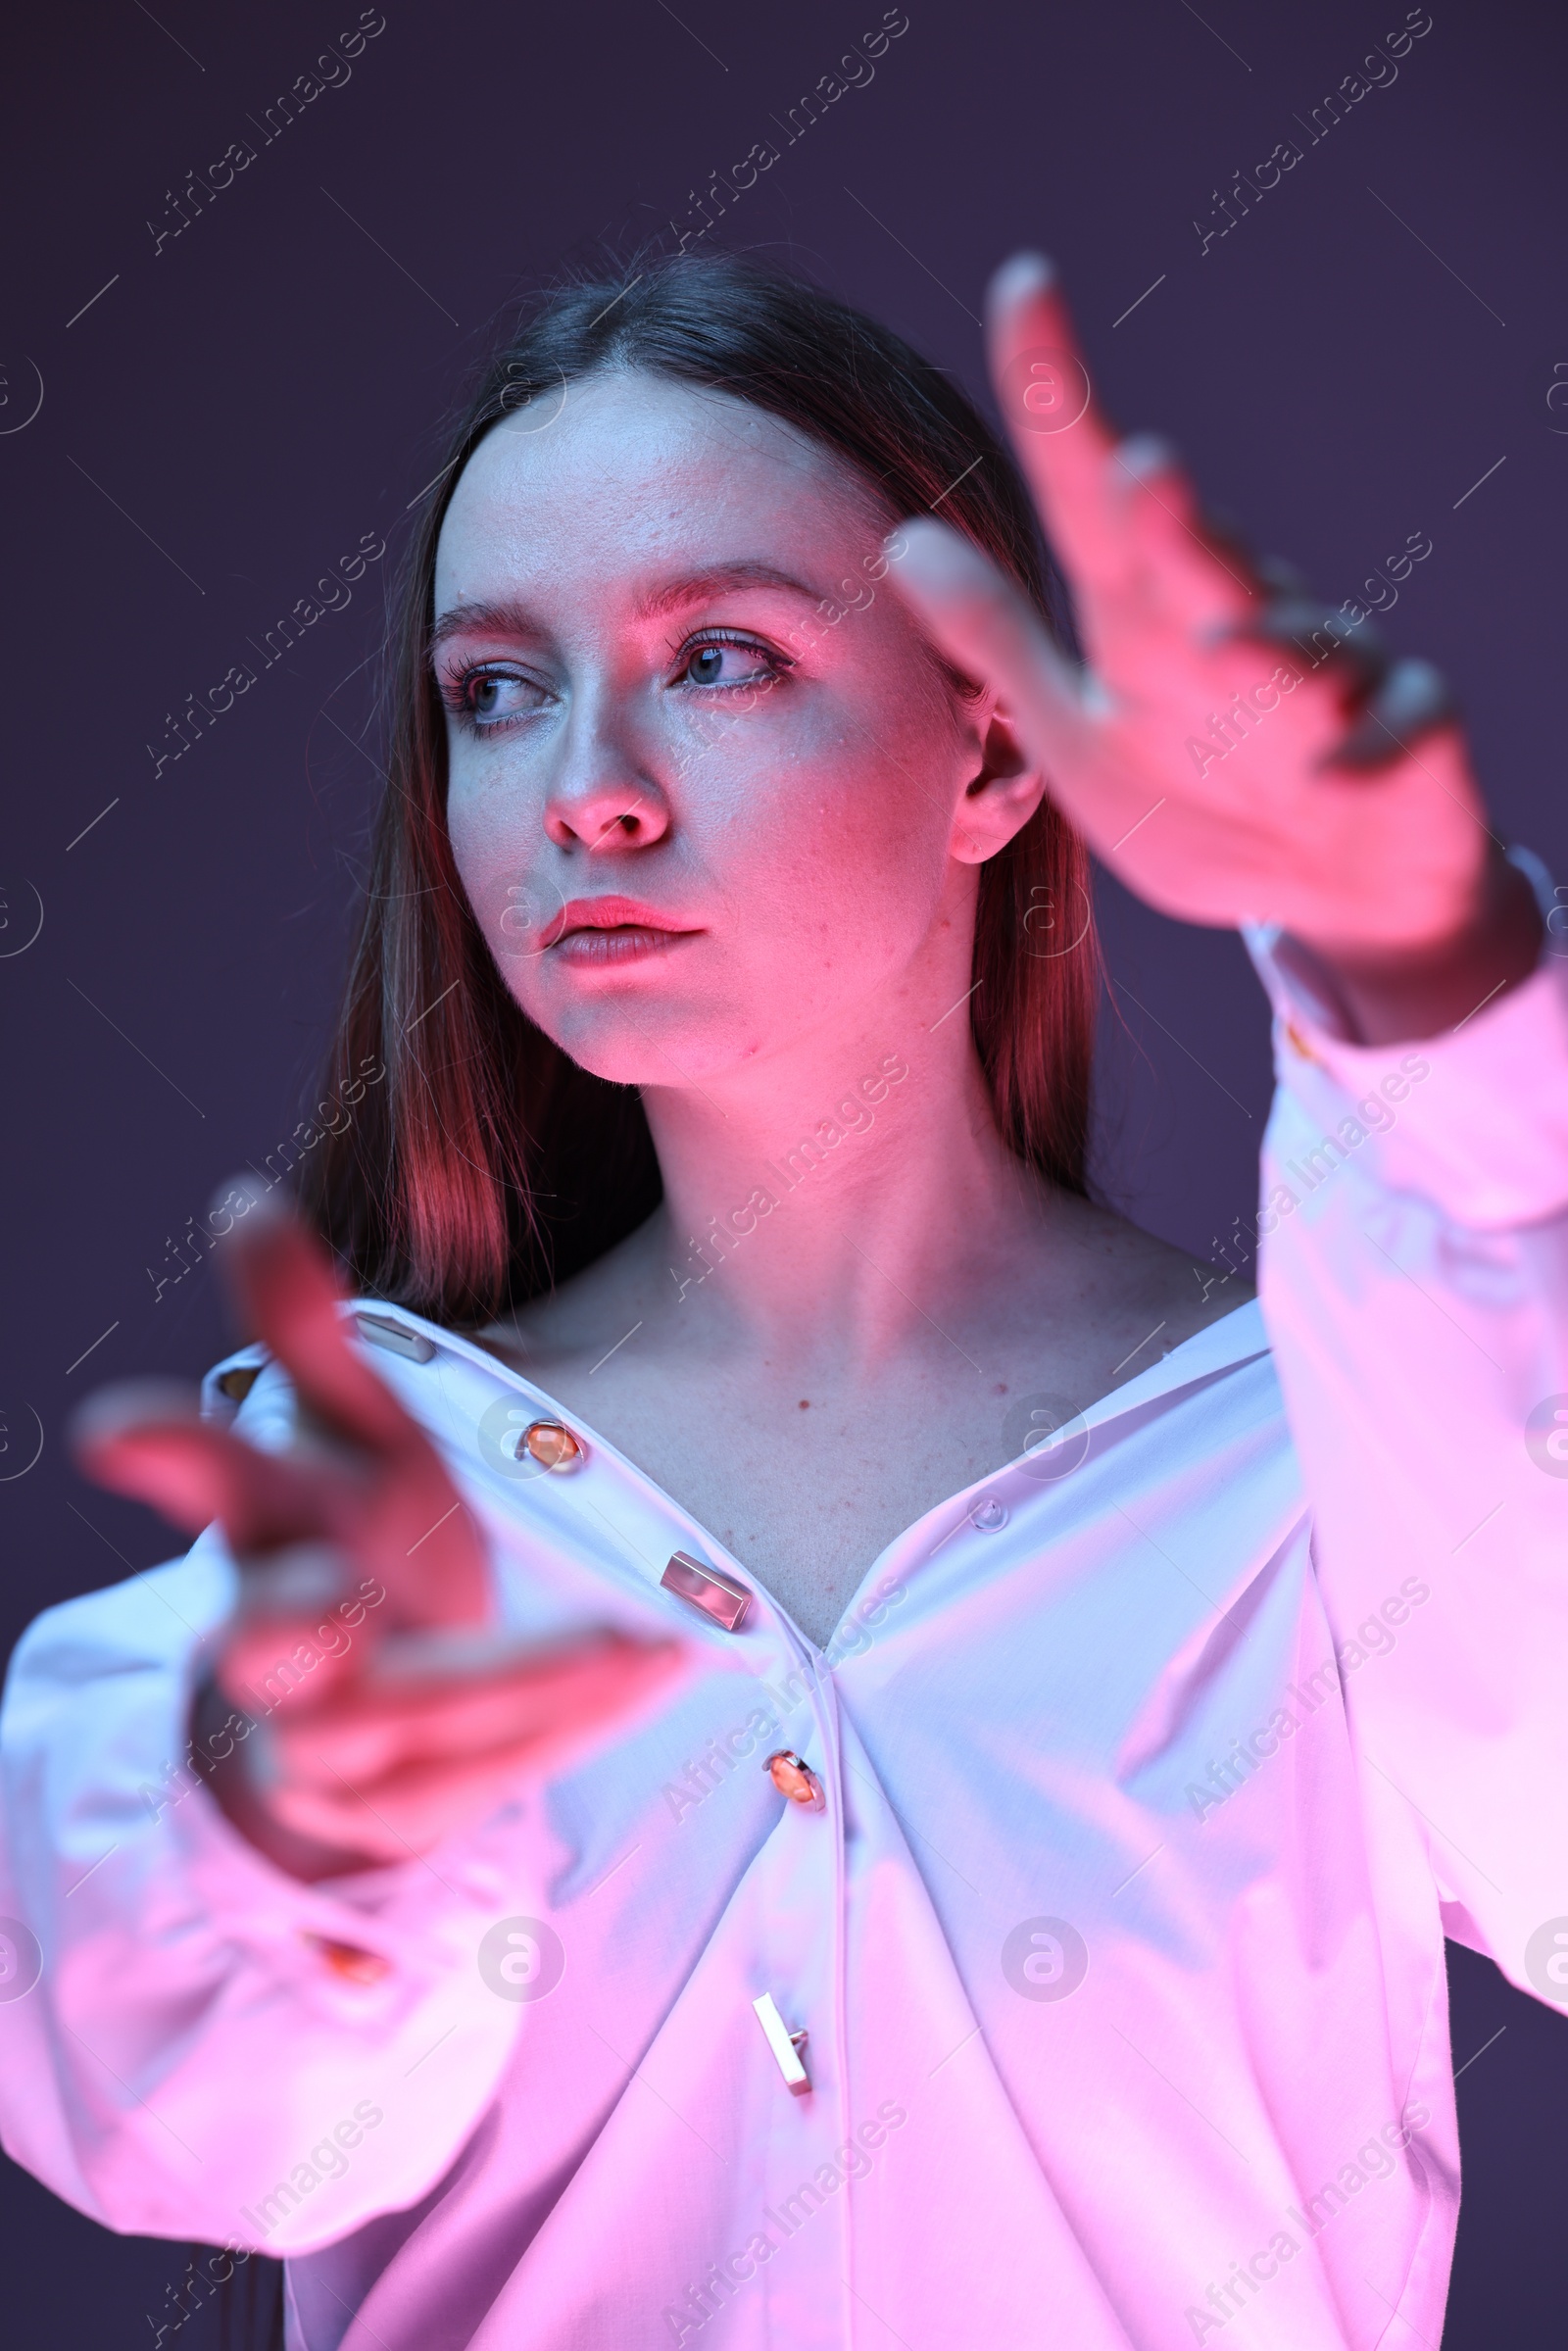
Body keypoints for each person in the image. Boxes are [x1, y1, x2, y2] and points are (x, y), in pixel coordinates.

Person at [1, 245, 1563, 2351]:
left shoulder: (1328, 1459)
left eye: (719, 655)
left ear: (991, 756)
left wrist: (1434, 978)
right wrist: (272, 1816)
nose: (586, 790)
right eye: (495, 691)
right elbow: (212, 2148)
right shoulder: (375, 1501)